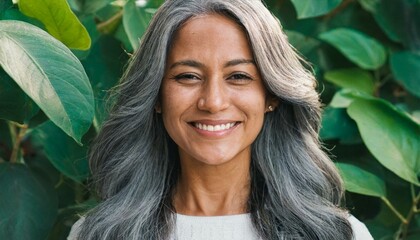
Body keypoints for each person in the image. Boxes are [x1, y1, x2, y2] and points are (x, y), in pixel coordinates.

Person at [68, 0, 373, 239]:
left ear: (271, 95)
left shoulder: (338, 235)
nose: (213, 102)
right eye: (187, 76)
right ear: (156, 95)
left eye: (239, 76)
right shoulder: (99, 234)